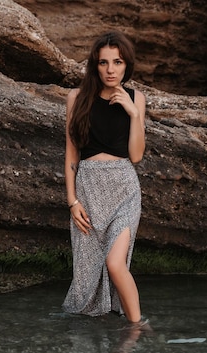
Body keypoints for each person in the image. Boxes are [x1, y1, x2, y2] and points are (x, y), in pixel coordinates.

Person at [62, 30, 146, 324]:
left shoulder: (137, 99)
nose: (111, 70)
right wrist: (72, 201)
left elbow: (136, 156)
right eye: (104, 63)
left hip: (124, 189)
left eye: (118, 62)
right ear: (95, 65)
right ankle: (98, 331)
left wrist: (133, 114)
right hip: (88, 189)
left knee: (114, 262)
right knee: (87, 275)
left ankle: (137, 327)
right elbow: (72, 155)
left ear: (127, 65)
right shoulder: (77, 98)